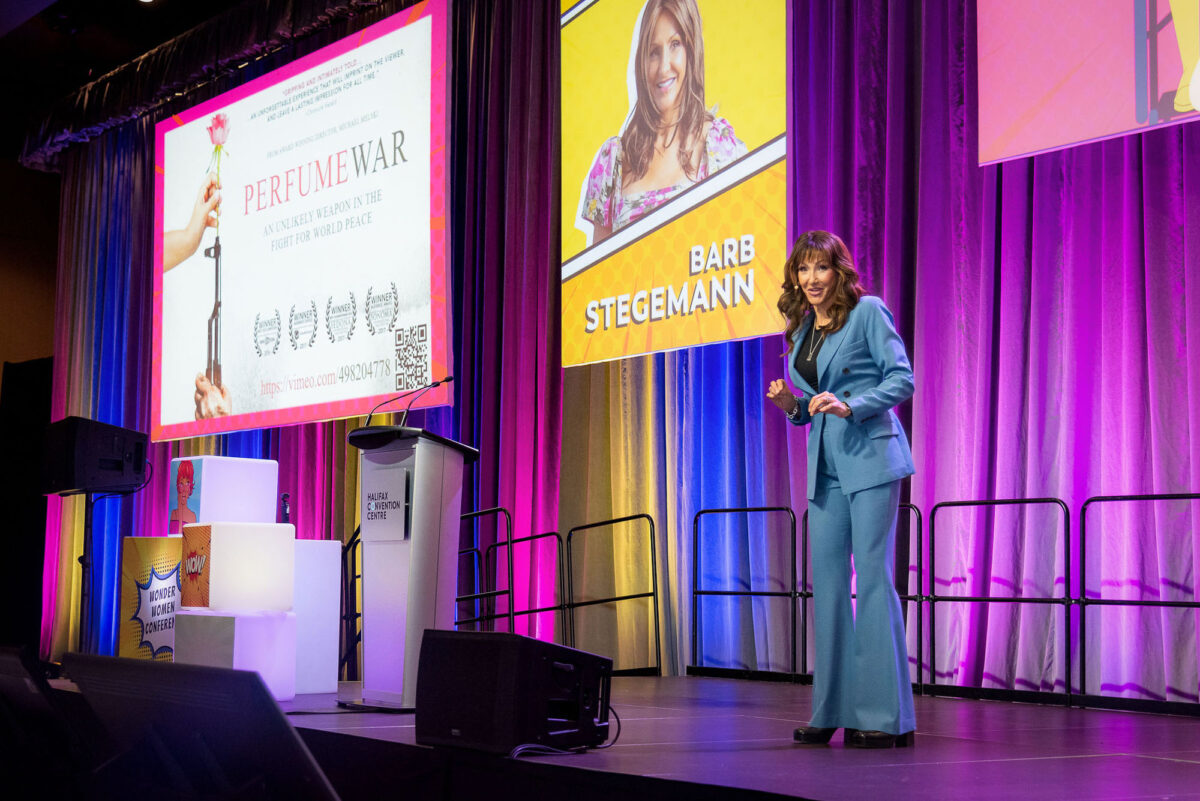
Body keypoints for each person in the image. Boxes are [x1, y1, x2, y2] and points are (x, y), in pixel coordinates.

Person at [766, 230, 916, 748]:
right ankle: (831, 709)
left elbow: (902, 380)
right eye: (802, 270)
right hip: (826, 470)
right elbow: (811, 411)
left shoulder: (868, 311)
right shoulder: (804, 331)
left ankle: (883, 716)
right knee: (827, 588)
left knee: (872, 581)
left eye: (820, 269)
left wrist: (852, 404)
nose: (810, 280)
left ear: (839, 272)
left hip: (872, 459)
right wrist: (791, 404)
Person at [578, 0, 746, 245]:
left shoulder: (720, 148)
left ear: (691, 50)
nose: (663, 67)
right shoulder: (612, 161)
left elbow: (740, 256)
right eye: (653, 52)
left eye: (675, 45)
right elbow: (598, 277)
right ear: (641, 62)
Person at [169, 459, 197, 534]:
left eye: (187, 483)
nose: (184, 488)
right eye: (181, 483)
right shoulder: (173, 513)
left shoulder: (192, 516)